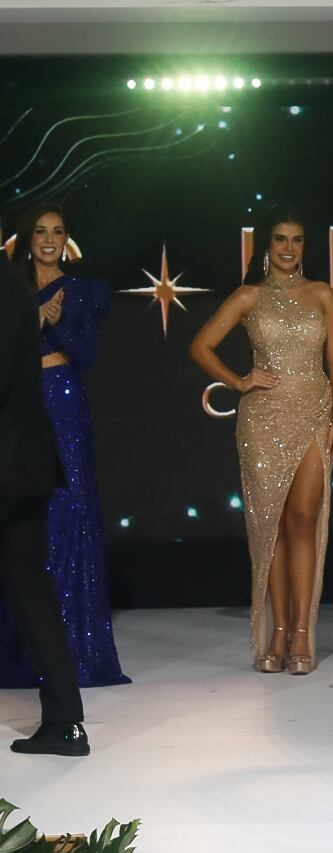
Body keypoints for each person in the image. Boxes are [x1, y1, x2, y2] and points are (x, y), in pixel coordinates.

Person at [189, 207, 333, 674]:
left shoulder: (321, 293)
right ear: (266, 245)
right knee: (271, 526)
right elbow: (200, 346)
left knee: (303, 519)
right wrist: (238, 381)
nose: (288, 249)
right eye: (280, 239)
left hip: (315, 414)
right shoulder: (248, 296)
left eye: (297, 241)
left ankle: (301, 633)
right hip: (262, 420)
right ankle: (277, 632)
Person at [0, 206, 128, 690]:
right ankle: (20, 653)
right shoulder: (11, 288)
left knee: (71, 516)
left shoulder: (84, 290)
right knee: (27, 527)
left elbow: (87, 353)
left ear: (67, 240)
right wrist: (30, 317)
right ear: (25, 238)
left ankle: (77, 652)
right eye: (40, 231)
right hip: (19, 406)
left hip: (66, 404)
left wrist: (54, 324)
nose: (49, 240)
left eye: (57, 233)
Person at [0, 234, 89, 756]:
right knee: (31, 591)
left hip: (8, 464)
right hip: (27, 464)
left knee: (30, 589)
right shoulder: (16, 286)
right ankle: (66, 723)